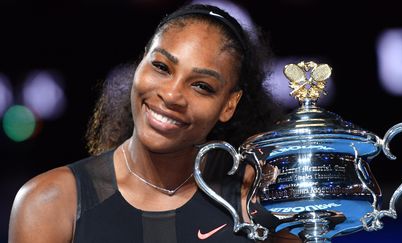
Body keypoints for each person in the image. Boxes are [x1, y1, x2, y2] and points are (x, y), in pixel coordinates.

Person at [8, 3, 300, 243]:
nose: (172, 95)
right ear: (140, 63)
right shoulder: (50, 203)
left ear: (229, 105)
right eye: (161, 67)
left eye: (201, 86)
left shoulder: (259, 204)